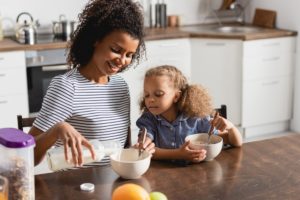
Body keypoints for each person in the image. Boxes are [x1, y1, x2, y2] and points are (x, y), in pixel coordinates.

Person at [29, 0, 155, 168]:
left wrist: (139, 148)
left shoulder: (120, 85)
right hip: (76, 188)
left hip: (115, 183)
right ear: (96, 39)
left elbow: (120, 147)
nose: (122, 60)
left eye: (129, 54)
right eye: (116, 50)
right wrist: (57, 130)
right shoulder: (67, 87)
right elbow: (28, 158)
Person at [136, 65, 242, 163]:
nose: (150, 100)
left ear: (176, 96)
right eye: (146, 95)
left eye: (158, 94)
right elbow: (146, 150)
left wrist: (231, 128)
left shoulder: (196, 118)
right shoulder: (148, 120)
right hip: (163, 177)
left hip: (196, 175)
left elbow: (236, 142)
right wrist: (178, 154)